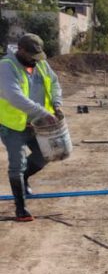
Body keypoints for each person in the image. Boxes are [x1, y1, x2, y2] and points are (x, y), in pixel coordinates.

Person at [0, 32, 64, 221]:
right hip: (13, 126)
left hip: (37, 124)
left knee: (47, 154)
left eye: (38, 57)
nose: (35, 61)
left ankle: (24, 177)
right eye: (31, 56)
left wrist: (57, 103)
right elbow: (15, 97)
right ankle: (21, 209)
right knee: (16, 165)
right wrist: (45, 113)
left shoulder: (41, 64)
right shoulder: (6, 67)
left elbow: (54, 83)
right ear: (20, 50)